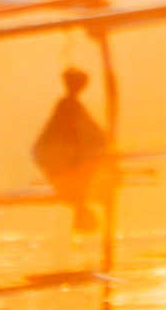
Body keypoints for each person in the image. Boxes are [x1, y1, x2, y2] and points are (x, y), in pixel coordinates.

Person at [32, 67, 118, 232]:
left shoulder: (74, 197)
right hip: (58, 153)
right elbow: (75, 131)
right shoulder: (68, 104)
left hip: (59, 154)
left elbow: (85, 129)